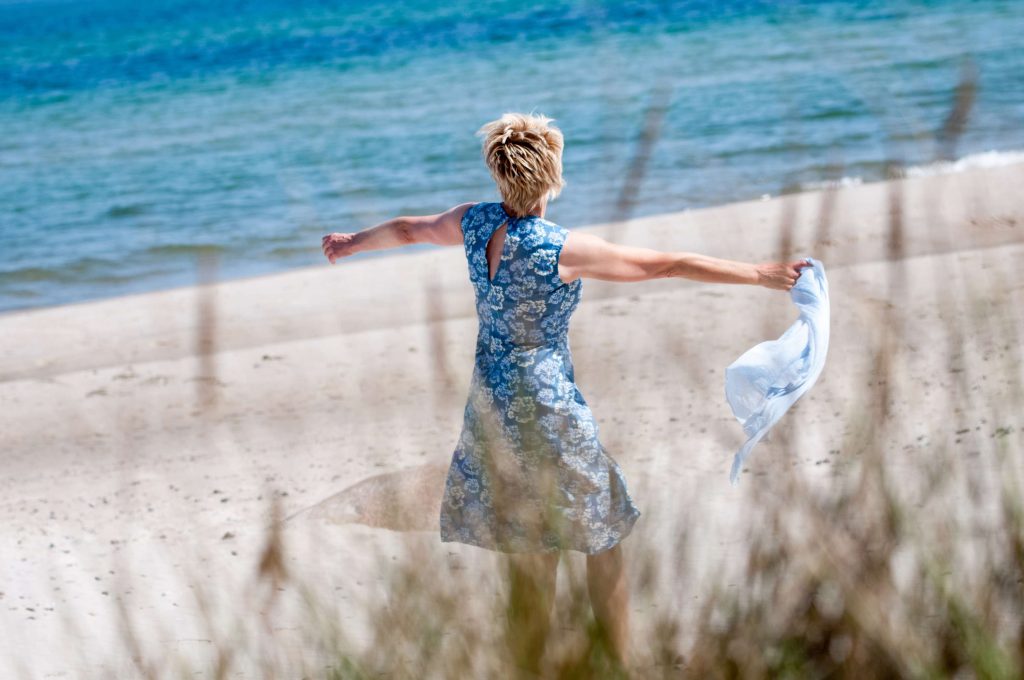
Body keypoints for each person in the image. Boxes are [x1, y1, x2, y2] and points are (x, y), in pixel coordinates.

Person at [321, 112, 811, 677]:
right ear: (551, 176)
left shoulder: (475, 223)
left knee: (533, 542)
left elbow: (410, 228)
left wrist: (351, 243)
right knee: (604, 531)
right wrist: (761, 273)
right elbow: (669, 265)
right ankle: (619, 663)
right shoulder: (563, 249)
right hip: (550, 407)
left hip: (493, 404)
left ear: (499, 174)